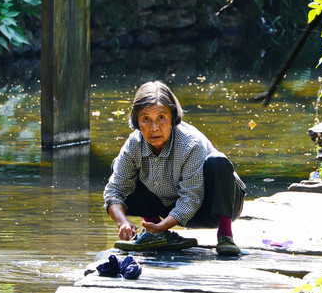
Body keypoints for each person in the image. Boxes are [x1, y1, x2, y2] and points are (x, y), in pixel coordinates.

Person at [103, 80, 245, 256]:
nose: (154, 128)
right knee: (118, 165)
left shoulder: (191, 143)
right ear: (137, 121)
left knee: (218, 162)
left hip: (215, 206)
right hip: (169, 203)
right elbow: (114, 191)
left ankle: (225, 235)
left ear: (172, 119)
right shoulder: (134, 144)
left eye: (161, 118)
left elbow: (191, 198)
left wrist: (164, 223)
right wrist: (122, 222)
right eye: (146, 119)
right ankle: (155, 233)